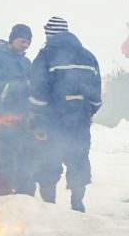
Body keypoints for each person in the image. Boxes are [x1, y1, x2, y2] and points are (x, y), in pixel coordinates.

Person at [27, 16, 101, 212]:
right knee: (78, 159)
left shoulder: (45, 56)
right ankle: (77, 204)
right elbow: (96, 92)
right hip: (80, 121)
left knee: (49, 161)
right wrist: (89, 111)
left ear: (49, 34)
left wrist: (36, 113)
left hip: (54, 120)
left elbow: (38, 89)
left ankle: (50, 207)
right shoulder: (88, 56)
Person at [0, 24, 37, 196]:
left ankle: (25, 194)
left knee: (27, 154)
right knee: (6, 154)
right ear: (12, 39)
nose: (25, 45)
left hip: (26, 114)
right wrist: (20, 87)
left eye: (28, 42)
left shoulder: (27, 62)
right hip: (6, 113)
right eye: (22, 41)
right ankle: (1, 194)